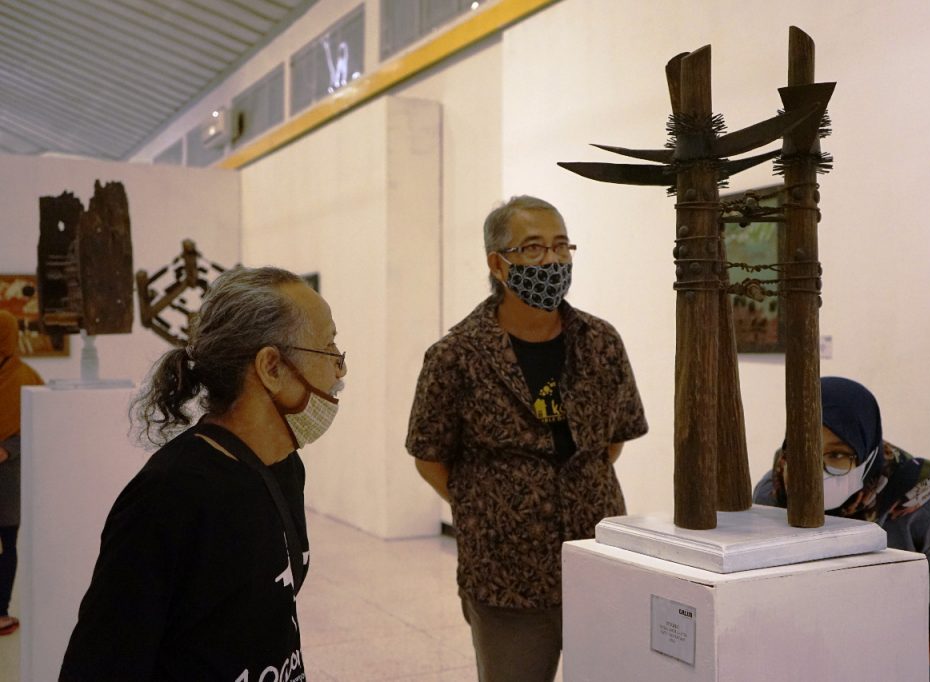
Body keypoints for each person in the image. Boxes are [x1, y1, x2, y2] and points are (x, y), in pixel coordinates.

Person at [60, 266, 347, 681]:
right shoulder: (169, 496)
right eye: (328, 347)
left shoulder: (285, 467)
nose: (340, 369)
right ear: (271, 367)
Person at [406, 195, 648, 682]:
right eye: (534, 248)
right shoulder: (456, 356)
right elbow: (430, 457)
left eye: (561, 246)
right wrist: (493, 503)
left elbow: (611, 442)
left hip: (595, 558)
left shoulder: (600, 342)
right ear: (498, 264)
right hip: (505, 574)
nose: (552, 260)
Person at [754, 376, 930, 682]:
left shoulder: (915, 504)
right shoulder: (774, 493)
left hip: (896, 659)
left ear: (867, 453)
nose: (816, 471)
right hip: (808, 654)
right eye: (802, 449)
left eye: (837, 455)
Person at [0, 311, 44, 637]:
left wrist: (7, 450)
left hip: (7, 478)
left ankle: (0, 611)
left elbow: (37, 425)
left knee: (6, 544)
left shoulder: (25, 377)